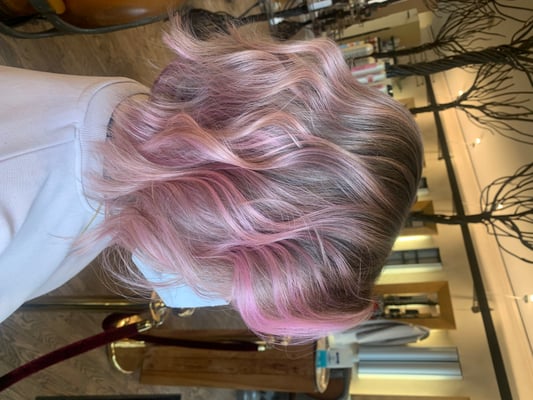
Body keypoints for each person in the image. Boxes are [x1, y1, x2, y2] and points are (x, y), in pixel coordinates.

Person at [0, 18, 423, 341]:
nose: (222, 300)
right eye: (238, 294)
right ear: (218, 221)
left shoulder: (126, 116)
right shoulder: (19, 199)